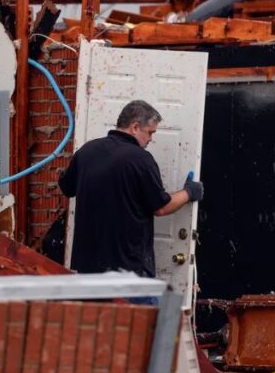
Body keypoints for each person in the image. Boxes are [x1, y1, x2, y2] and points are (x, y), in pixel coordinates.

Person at [58, 100, 203, 286]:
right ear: (135, 127)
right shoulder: (141, 159)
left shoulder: (86, 151)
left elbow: (66, 188)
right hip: (128, 271)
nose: (151, 139)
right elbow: (161, 207)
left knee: (98, 316)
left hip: (88, 270)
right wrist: (190, 192)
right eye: (150, 132)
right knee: (146, 315)